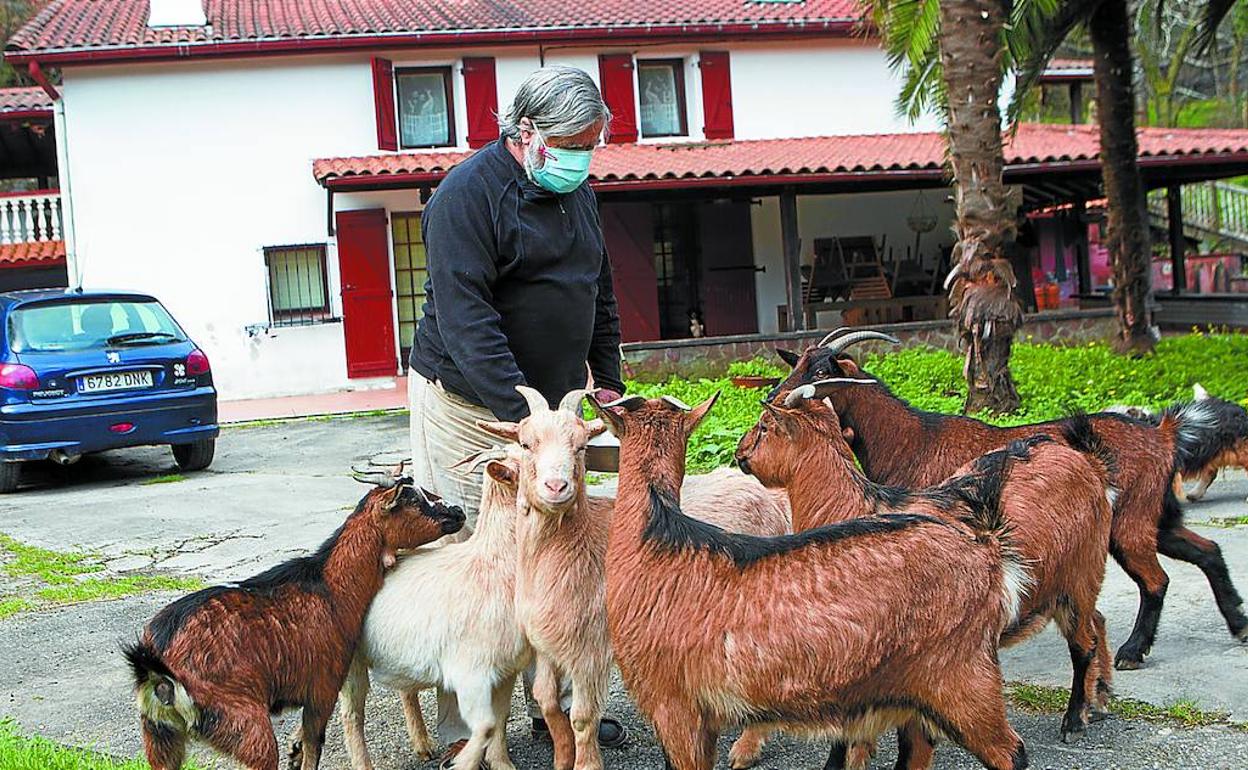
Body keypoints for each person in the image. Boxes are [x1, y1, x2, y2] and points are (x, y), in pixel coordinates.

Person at [406, 65, 628, 769]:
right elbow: (468, 322)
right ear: (526, 132)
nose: (582, 159)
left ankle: (552, 707)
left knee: (561, 551)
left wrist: (608, 383)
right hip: (471, 405)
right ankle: (466, 726)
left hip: (553, 414)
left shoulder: (578, 195)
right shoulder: (465, 199)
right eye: (572, 145)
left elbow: (598, 291)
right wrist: (522, 422)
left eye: (590, 146)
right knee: (473, 553)